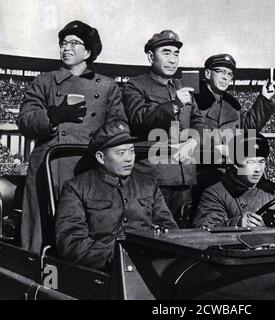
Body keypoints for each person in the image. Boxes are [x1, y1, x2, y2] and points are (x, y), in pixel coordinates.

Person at [17, 21, 127, 253]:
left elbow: (119, 124)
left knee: (83, 231)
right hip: (48, 167)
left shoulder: (107, 86)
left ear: (88, 51)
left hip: (87, 169)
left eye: (74, 43)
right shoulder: (44, 81)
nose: (66, 48)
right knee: (41, 231)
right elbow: (25, 121)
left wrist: (100, 143)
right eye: (63, 43)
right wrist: (52, 116)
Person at [55, 121, 178, 271]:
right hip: (103, 270)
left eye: (131, 151)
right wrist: (120, 257)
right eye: (121, 153)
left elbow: (169, 230)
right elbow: (70, 241)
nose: (129, 158)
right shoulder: (76, 188)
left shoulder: (148, 184)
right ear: (101, 157)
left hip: (150, 265)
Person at [122, 30, 206, 219]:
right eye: (166, 52)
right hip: (154, 177)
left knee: (182, 238)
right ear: (151, 56)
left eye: (176, 54)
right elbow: (137, 120)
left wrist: (192, 142)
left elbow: (199, 121)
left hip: (185, 178)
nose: (172, 59)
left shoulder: (181, 86)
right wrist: (173, 105)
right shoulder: (135, 85)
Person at [193, 54, 275, 194]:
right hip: (199, 176)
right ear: (207, 73)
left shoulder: (232, 104)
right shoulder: (192, 100)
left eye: (230, 74)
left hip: (227, 176)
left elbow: (248, 129)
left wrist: (264, 98)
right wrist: (216, 152)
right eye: (221, 72)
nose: (226, 77)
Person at [192, 133, 275, 229]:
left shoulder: (273, 191)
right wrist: (237, 223)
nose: (258, 169)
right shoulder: (215, 194)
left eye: (261, 162)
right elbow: (204, 230)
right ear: (235, 164)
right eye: (250, 162)